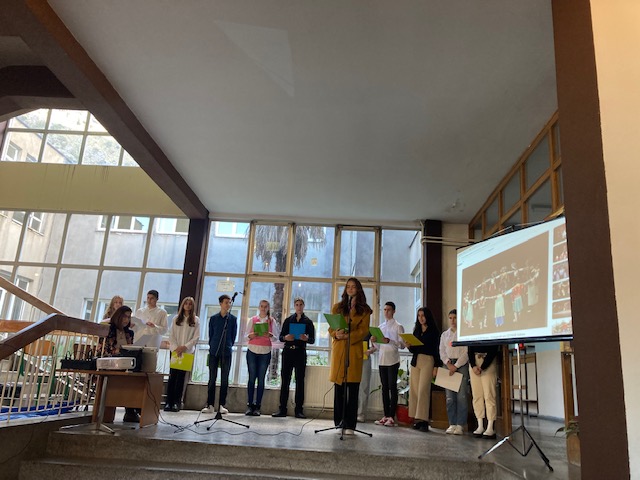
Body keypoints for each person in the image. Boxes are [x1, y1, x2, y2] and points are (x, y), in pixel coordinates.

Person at [328, 278, 371, 434]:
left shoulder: (365, 310)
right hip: (340, 350)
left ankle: (350, 425)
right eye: (348, 287)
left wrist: (349, 336)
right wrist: (336, 333)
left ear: (358, 289)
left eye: (353, 287)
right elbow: (331, 328)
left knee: (352, 390)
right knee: (339, 389)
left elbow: (364, 330)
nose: (350, 289)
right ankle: (339, 422)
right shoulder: (338, 307)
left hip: (353, 350)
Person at [272, 297, 315, 418]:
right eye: (297, 304)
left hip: (300, 352)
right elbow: (281, 337)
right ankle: (282, 409)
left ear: (303, 306)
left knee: (300, 381)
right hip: (288, 352)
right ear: (294, 306)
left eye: (301, 304)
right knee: (285, 381)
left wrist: (306, 338)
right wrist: (286, 338)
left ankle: (299, 410)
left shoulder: (308, 322)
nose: (299, 307)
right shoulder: (288, 320)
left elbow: (312, 339)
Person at [99, 305, 139, 423]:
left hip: (124, 363)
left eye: (129, 317)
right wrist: (121, 350)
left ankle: (133, 410)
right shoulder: (108, 330)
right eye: (125, 316)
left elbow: (129, 349)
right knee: (128, 378)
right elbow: (104, 350)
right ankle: (131, 411)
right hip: (109, 363)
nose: (127, 320)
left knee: (136, 376)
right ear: (118, 316)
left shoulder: (129, 333)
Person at [202, 294, 238, 414]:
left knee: (224, 378)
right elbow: (211, 334)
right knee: (212, 378)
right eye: (226, 302)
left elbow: (233, 336)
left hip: (226, 351)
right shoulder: (213, 318)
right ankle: (210, 405)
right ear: (220, 304)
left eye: (229, 302)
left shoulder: (233, 319)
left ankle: (222, 404)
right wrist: (212, 345)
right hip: (214, 350)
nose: (228, 305)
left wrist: (229, 345)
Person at [372, 301, 405, 427]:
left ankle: (391, 416)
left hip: (393, 360)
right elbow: (378, 347)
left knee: (392, 387)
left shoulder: (398, 326)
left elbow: (402, 345)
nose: (386, 312)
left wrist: (390, 341)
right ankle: (385, 415)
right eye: (385, 310)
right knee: (384, 388)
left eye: (389, 310)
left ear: (394, 311)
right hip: (382, 360)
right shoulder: (381, 327)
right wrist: (374, 341)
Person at [408, 307, 441, 432]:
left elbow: (436, 349)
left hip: (428, 360)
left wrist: (436, 366)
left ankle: (424, 420)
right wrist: (409, 346)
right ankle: (416, 418)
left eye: (423, 315)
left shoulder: (433, 331)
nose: (421, 318)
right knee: (415, 390)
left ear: (427, 316)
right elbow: (414, 349)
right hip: (416, 360)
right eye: (419, 316)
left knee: (423, 390)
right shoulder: (416, 330)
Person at [165, 297, 200, 412]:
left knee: (181, 378)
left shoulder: (196, 320)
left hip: (187, 352)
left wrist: (184, 347)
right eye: (186, 303)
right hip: (175, 351)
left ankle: (176, 402)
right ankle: (168, 402)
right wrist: (176, 348)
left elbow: (196, 337)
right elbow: (171, 335)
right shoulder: (176, 318)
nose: (188, 306)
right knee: (172, 376)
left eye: (190, 304)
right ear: (183, 305)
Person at [439, 308, 469, 435]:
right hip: (448, 364)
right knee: (450, 397)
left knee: (461, 396)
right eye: (450, 318)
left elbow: (466, 352)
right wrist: (448, 363)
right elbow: (442, 351)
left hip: (460, 365)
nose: (453, 320)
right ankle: (452, 423)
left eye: (455, 318)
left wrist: (456, 366)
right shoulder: (445, 335)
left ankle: (460, 424)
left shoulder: (463, 333)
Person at [245, 299, 278, 416]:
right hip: (252, 350)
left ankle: (258, 406)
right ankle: (250, 405)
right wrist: (251, 335)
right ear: (259, 307)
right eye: (262, 306)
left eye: (265, 306)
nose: (263, 308)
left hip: (265, 351)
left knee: (261, 379)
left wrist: (270, 335)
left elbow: (276, 338)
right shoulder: (253, 320)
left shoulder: (271, 321)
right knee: (251, 378)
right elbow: (245, 336)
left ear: (268, 308)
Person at [469, 343, 500, 439]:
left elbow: (494, 348)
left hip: (488, 361)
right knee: (477, 395)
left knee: (489, 395)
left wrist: (483, 366)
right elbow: (469, 348)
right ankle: (480, 425)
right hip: (474, 361)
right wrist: (473, 365)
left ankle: (490, 426)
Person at [356, 332, 375, 423]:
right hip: (353, 357)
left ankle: (361, 413)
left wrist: (370, 350)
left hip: (365, 358)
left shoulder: (369, 330)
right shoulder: (351, 328)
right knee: (351, 386)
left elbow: (375, 346)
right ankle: (351, 412)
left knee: (364, 386)